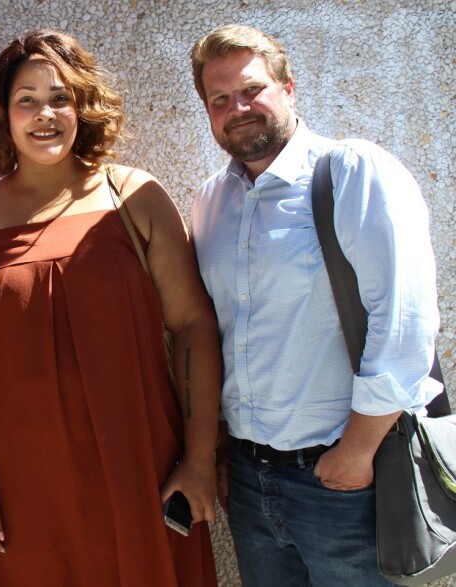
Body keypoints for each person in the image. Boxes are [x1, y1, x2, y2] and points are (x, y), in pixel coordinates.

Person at [0, 29, 220, 586]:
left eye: (60, 97)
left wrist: (201, 457)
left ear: (82, 105)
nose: (46, 114)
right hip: (22, 488)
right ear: (4, 113)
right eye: (27, 100)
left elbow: (192, 325)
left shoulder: (133, 196)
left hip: (145, 470)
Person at [189, 24, 443, 587]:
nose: (238, 107)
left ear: (289, 88)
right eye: (220, 99)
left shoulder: (352, 172)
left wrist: (356, 451)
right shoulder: (210, 202)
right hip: (250, 482)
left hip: (344, 481)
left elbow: (404, 326)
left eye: (252, 89)